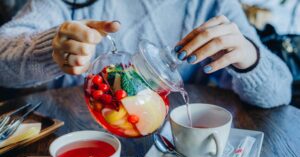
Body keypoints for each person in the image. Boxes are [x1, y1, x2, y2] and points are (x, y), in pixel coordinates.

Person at [0, 0, 293, 108]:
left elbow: (280, 92)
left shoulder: (213, 6)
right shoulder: (67, 3)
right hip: (73, 144)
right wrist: (48, 47)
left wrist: (249, 58)